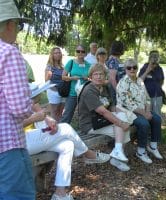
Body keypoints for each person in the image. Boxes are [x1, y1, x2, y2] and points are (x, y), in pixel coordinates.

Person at [25, 84, 110, 200]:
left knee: (67, 145)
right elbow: (8, 127)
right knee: (65, 127)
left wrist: (47, 118)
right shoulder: (8, 102)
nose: (40, 97)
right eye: (38, 96)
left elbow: (37, 109)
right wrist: (34, 118)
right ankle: (89, 154)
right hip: (18, 143)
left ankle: (60, 193)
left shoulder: (25, 100)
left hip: (29, 139)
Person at [0, 0, 35, 199]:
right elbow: (20, 108)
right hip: (7, 145)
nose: (18, 31)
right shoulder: (8, 52)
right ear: (10, 24)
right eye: (19, 25)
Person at [78, 64, 134, 172]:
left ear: (105, 76)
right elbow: (103, 111)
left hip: (103, 121)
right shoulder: (89, 90)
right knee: (122, 127)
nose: (99, 77)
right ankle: (117, 157)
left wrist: (125, 114)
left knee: (122, 117)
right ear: (91, 76)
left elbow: (112, 107)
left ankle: (117, 152)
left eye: (101, 74)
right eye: (96, 74)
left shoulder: (105, 87)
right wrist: (121, 123)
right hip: (90, 124)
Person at [117, 58, 163, 164]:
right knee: (144, 123)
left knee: (156, 119)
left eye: (134, 67)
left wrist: (147, 111)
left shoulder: (139, 81)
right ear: (125, 69)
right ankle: (141, 151)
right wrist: (144, 114)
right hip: (128, 113)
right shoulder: (123, 83)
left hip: (142, 110)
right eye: (129, 68)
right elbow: (128, 104)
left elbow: (147, 97)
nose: (132, 69)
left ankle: (153, 146)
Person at [60, 45, 91, 123]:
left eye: (82, 51)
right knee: (67, 114)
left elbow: (92, 79)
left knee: (85, 114)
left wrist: (87, 78)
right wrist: (72, 78)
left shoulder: (89, 65)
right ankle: (62, 131)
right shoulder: (71, 62)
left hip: (84, 93)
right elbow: (63, 77)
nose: (80, 53)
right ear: (76, 52)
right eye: (78, 51)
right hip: (73, 93)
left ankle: (83, 131)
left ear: (86, 53)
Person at [139, 50, 165, 116]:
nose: (154, 64)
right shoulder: (144, 67)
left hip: (157, 96)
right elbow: (139, 81)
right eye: (153, 61)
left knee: (157, 115)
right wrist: (147, 71)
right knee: (147, 115)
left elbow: (162, 81)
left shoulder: (159, 69)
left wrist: (157, 88)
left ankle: (157, 126)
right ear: (149, 59)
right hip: (146, 96)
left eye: (156, 62)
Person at [45, 47, 65, 121]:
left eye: (59, 52)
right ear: (52, 55)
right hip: (53, 92)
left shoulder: (62, 66)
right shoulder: (49, 66)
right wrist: (49, 75)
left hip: (63, 92)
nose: (58, 54)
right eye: (55, 53)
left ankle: (58, 127)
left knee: (60, 112)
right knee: (54, 111)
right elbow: (46, 81)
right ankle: (53, 127)